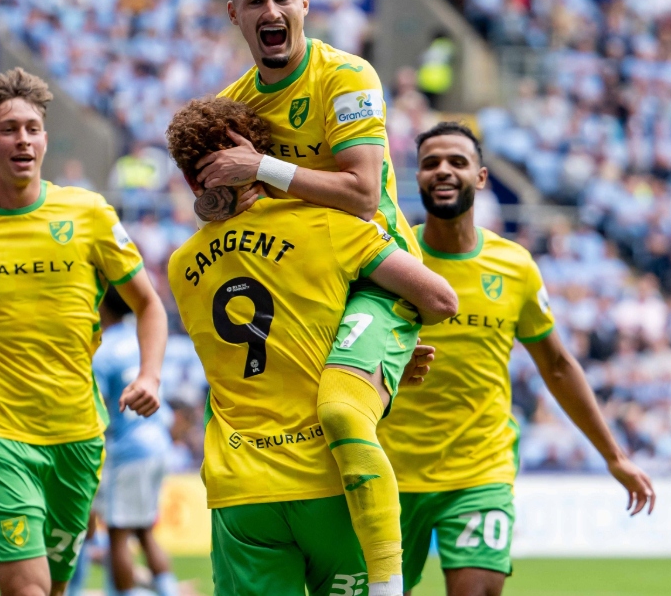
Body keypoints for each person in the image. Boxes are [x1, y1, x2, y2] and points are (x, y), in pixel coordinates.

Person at [165, 98, 458, 596]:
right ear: (256, 154)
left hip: (241, 489)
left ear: (193, 182)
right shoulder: (326, 225)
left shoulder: (179, 266)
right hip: (328, 478)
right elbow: (439, 298)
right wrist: (384, 352)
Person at [204, 0, 425, 595]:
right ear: (234, 14)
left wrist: (260, 169)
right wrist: (214, 194)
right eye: (255, 1)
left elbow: (361, 192)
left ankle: (387, 584)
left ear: (304, 5)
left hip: (378, 279)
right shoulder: (231, 104)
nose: (270, 10)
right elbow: (222, 214)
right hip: (303, 290)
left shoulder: (346, 77)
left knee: (340, 413)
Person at [0, 68, 168, 596]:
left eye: (32, 127)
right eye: (8, 129)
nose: (22, 138)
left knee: (57, 587)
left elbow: (149, 305)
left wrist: (151, 375)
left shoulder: (89, 214)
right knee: (28, 590)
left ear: (44, 138)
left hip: (77, 435)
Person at [378, 123, 656, 596]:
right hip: (386, 472)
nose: (443, 171)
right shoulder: (388, 259)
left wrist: (615, 456)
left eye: (457, 162)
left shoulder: (516, 267)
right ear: (418, 178)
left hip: (479, 470)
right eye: (430, 163)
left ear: (481, 178)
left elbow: (558, 365)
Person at [91, 286, 178, 596]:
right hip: (157, 443)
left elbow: (96, 406)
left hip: (127, 450)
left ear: (102, 308)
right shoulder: (142, 340)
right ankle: (168, 591)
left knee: (117, 534)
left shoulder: (102, 352)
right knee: (143, 531)